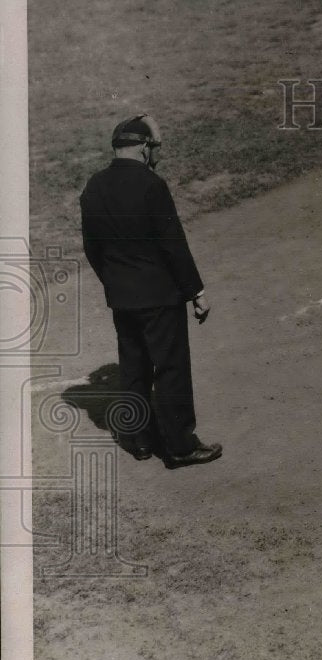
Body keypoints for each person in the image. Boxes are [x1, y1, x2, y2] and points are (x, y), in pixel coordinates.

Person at [80, 114, 222, 468]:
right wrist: (196, 291)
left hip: (122, 298)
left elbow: (92, 248)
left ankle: (140, 441)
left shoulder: (93, 186)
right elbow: (173, 244)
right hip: (159, 297)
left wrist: (114, 282)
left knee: (133, 367)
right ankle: (179, 446)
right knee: (170, 367)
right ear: (143, 147)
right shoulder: (151, 185)